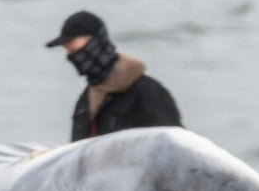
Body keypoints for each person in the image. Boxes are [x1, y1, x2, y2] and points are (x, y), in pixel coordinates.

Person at [47, 10, 183, 142]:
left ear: (96, 41)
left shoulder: (149, 92)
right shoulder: (85, 102)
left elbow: (176, 149)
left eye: (73, 44)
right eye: (66, 48)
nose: (69, 52)